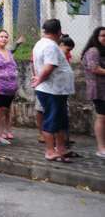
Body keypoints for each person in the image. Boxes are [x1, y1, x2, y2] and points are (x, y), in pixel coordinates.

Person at [32, 19, 74, 162]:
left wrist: (38, 78)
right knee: (51, 119)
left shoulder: (41, 43)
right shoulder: (50, 46)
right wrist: (39, 79)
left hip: (57, 90)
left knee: (61, 120)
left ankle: (61, 148)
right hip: (51, 89)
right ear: (58, 32)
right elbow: (49, 66)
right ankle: (50, 151)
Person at [81, 26, 105, 158]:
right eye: (103, 35)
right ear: (96, 37)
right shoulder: (93, 51)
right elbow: (94, 68)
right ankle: (101, 148)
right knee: (102, 117)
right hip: (98, 90)